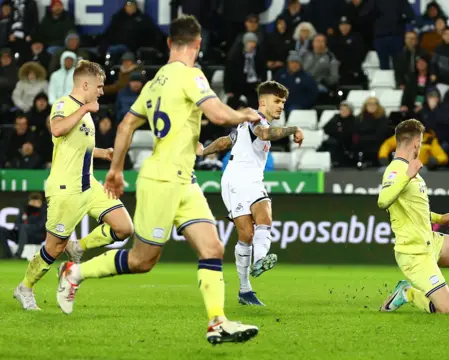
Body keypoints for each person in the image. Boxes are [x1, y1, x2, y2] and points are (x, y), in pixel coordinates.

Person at [55, 15, 262, 345]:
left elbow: (125, 126)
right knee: (142, 261)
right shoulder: (191, 76)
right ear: (197, 44)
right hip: (162, 180)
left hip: (185, 180)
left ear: (169, 43)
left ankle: (217, 322)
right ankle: (75, 272)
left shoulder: (154, 83)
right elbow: (220, 115)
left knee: (212, 246)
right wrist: (246, 115)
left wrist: (116, 169)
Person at [13, 60, 134, 311]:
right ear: (85, 84)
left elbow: (80, 147)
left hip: (89, 185)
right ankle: (25, 287)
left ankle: (78, 247)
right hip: (65, 189)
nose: (102, 91)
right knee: (54, 248)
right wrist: (85, 109)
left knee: (124, 227)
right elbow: (57, 129)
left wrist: (103, 153)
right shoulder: (63, 104)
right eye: (99, 86)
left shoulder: (85, 113)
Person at [201, 81, 304, 306]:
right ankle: (245, 289)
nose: (281, 106)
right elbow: (265, 134)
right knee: (246, 234)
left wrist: (204, 149)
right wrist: (293, 129)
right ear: (262, 102)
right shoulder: (256, 120)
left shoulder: (246, 123)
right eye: (277, 101)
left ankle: (259, 261)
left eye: (283, 103)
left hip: (253, 179)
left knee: (265, 215)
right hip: (235, 179)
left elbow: (226, 141)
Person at [377, 119, 449, 314]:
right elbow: (383, 200)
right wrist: (407, 176)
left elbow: (415, 211)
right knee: (447, 310)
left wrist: (440, 218)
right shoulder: (396, 170)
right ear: (416, 143)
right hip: (413, 253)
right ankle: (406, 293)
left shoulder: (411, 169)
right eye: (420, 142)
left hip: (431, 242)